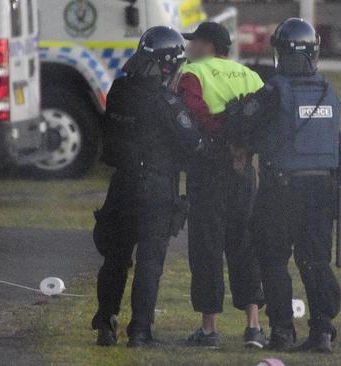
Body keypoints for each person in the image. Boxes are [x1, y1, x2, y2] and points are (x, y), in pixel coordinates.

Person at [226, 18, 341, 353]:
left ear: (280, 52)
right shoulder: (329, 91)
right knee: (315, 260)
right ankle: (322, 331)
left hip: (281, 188)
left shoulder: (274, 91)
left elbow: (242, 121)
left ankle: (282, 331)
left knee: (273, 259)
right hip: (323, 189)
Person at [91, 26, 204, 348]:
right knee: (149, 262)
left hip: (121, 184)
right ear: (168, 65)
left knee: (115, 258)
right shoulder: (166, 101)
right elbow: (192, 142)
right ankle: (140, 331)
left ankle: (106, 321)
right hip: (155, 187)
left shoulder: (118, 90)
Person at [176, 21, 267, 348]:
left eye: (193, 42)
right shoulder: (250, 75)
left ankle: (210, 329)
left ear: (207, 46)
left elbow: (192, 112)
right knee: (244, 242)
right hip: (244, 171)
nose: (188, 49)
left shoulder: (194, 74)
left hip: (208, 168)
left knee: (207, 246)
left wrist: (220, 139)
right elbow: (265, 116)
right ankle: (254, 325)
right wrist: (242, 148)